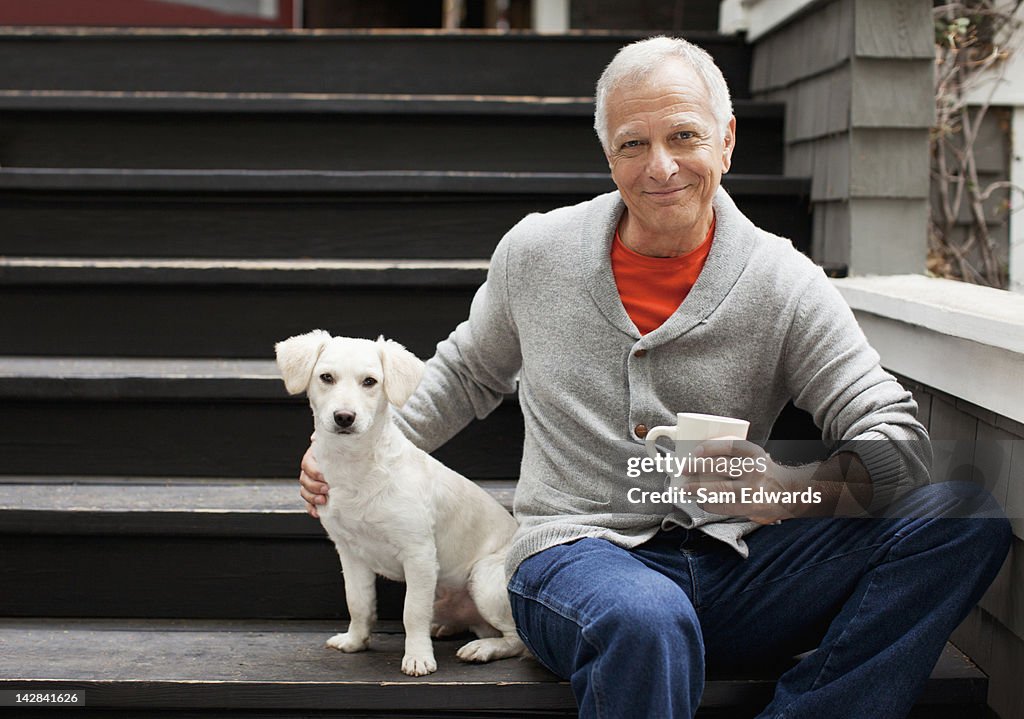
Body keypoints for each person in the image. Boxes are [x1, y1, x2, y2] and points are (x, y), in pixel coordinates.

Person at [298, 37, 1011, 719]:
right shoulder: (537, 253)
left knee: (962, 521)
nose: (660, 166)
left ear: (727, 139)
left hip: (740, 568)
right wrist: (346, 457)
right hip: (574, 560)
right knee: (646, 617)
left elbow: (900, 444)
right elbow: (462, 375)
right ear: (608, 155)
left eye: (684, 136)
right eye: (633, 143)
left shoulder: (784, 281)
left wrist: (787, 489)